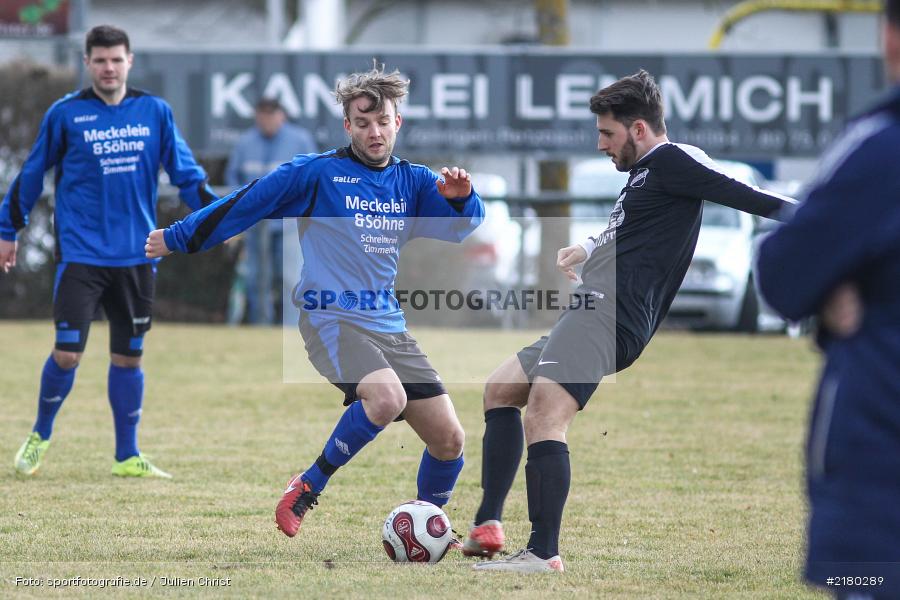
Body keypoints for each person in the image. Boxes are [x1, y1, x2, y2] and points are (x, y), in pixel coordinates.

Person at [463, 70, 795, 573]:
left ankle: (543, 552)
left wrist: (833, 217)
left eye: (607, 133)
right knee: (501, 388)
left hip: (609, 311)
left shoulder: (675, 160)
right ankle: (487, 525)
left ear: (638, 129)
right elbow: (629, 226)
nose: (601, 144)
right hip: (594, 307)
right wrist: (588, 246)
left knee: (545, 415)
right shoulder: (647, 173)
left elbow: (753, 197)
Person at [145, 63, 484, 538]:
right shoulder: (317, 174)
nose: (374, 132)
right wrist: (180, 236)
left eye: (382, 122)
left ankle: (425, 527)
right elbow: (246, 202)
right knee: (387, 398)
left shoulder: (413, 181)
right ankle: (307, 485)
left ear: (398, 122)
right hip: (330, 318)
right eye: (362, 123)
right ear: (347, 126)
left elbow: (462, 226)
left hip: (387, 324)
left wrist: (463, 198)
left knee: (449, 440)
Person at [0, 25, 217, 479]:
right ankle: (40, 434)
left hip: (138, 256)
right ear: (87, 63)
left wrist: (218, 217)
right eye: (100, 60)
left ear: (129, 61)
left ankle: (127, 456)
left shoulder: (154, 111)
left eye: (116, 59)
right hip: (81, 256)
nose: (109, 68)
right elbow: (32, 172)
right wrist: (8, 228)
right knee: (67, 353)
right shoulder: (66, 114)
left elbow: (186, 175)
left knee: (129, 357)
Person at [757, 1, 900, 596]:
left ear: (888, 38)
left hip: (882, 461)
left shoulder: (879, 147)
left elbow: (783, 273)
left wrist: (838, 283)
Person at [225, 97, 316, 325]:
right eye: (262, 114)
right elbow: (232, 178)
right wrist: (242, 211)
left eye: (271, 114)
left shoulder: (300, 140)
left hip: (290, 223)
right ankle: (261, 327)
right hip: (255, 222)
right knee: (257, 278)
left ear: (281, 115)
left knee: (292, 278)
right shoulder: (245, 143)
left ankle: (293, 329)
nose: (267, 120)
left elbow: (314, 176)